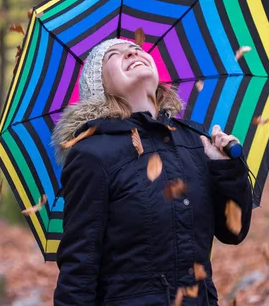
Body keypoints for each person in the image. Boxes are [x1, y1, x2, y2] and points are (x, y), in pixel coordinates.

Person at [51, 38, 253, 306]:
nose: (133, 52)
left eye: (137, 49)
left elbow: (233, 231)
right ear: (99, 86)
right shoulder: (92, 154)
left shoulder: (193, 139)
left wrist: (225, 168)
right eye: (115, 54)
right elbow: (80, 267)